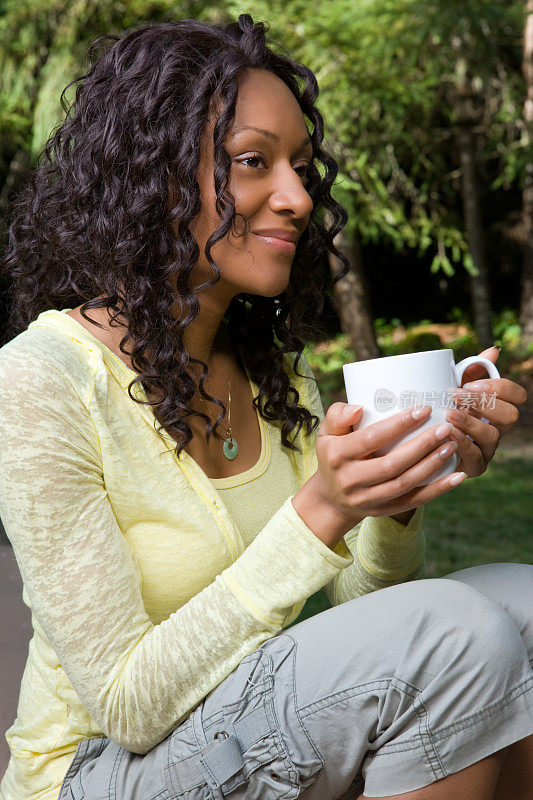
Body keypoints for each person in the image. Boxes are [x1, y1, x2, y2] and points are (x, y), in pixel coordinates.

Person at [0, 13, 531, 800]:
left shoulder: (268, 366)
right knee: (457, 633)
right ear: (158, 177)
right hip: (96, 770)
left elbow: (370, 610)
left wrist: (394, 497)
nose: (296, 197)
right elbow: (125, 704)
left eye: (300, 166)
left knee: (520, 604)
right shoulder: (41, 377)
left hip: (239, 718)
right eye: (253, 162)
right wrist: (317, 512)